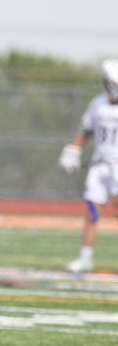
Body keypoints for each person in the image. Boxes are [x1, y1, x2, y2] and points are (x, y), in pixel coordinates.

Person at [58, 59, 118, 273]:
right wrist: (74, 150)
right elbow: (86, 130)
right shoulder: (97, 104)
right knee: (91, 211)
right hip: (99, 165)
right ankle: (85, 258)